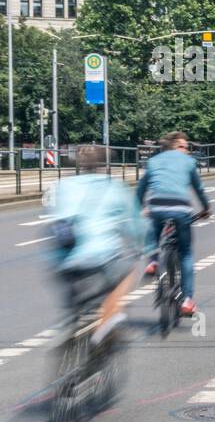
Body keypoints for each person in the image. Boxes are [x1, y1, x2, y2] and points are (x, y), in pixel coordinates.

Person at [46, 145, 148, 343]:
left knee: (75, 303)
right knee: (128, 269)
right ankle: (109, 319)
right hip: (103, 258)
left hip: (65, 262)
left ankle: (70, 329)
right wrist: (145, 248)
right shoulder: (114, 186)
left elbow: (56, 221)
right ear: (105, 164)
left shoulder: (63, 186)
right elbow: (136, 226)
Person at [137, 131, 211, 316]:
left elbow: (141, 188)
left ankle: (153, 261)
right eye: (185, 147)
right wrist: (205, 208)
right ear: (176, 147)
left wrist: (140, 207)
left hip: (156, 206)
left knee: (152, 230)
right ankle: (187, 300)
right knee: (185, 253)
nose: (188, 150)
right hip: (180, 209)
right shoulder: (188, 162)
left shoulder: (153, 161)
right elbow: (198, 188)